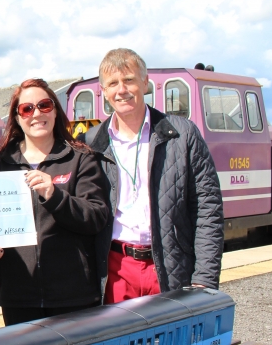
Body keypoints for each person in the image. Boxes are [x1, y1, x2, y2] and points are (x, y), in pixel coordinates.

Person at [86, 48, 223, 303]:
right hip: (115, 269)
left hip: (171, 266)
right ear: (104, 91)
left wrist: (204, 277)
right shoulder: (91, 143)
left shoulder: (183, 134)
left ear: (145, 83)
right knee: (119, 342)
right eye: (112, 83)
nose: (121, 90)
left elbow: (208, 208)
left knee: (172, 341)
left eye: (129, 80)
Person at [0, 79, 109, 325]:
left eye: (44, 105)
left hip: (74, 296)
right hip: (18, 297)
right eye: (26, 109)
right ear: (17, 118)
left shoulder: (81, 159)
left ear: (56, 111)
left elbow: (96, 217)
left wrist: (54, 195)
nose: (36, 113)